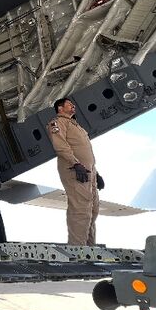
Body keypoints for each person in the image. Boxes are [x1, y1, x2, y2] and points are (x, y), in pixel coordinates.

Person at [47, 97, 101, 245]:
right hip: (75, 170)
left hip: (88, 171)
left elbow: (86, 151)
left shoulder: (76, 126)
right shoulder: (57, 123)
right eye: (70, 104)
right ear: (60, 108)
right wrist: (75, 164)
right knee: (80, 208)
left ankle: (90, 248)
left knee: (93, 208)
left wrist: (97, 173)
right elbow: (60, 146)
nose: (73, 106)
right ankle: (78, 249)